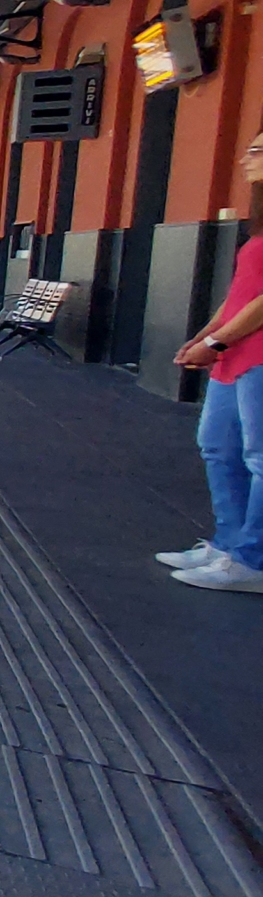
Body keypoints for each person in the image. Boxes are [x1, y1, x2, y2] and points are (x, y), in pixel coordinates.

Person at [162, 136, 263, 591]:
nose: (245, 158)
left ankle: (252, 560)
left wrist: (217, 342)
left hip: (255, 352)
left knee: (259, 456)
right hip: (235, 351)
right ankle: (228, 545)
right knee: (218, 446)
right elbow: (240, 293)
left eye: (256, 152)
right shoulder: (258, 225)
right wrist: (204, 336)